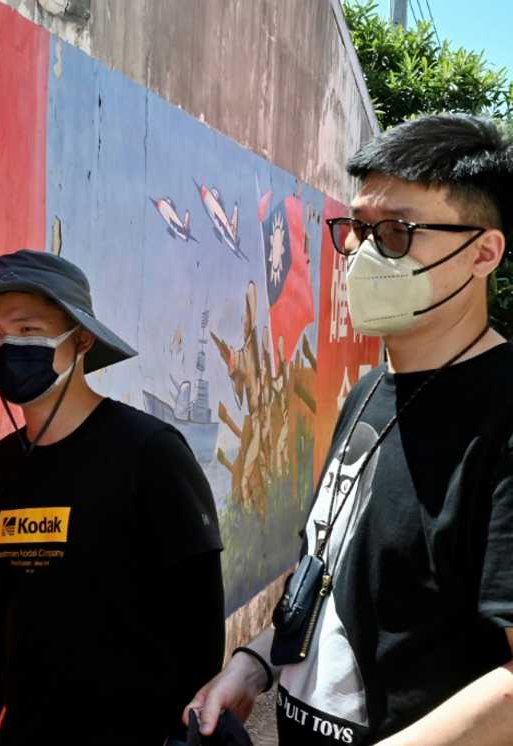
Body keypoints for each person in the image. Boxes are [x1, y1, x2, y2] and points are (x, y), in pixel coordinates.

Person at [185, 114, 513, 745]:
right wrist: (254, 664)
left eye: (396, 232)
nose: (363, 255)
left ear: (483, 253)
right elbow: (331, 564)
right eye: (359, 230)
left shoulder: (505, 419)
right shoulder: (368, 393)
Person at [0, 249, 225, 745]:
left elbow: (199, 622)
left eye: (27, 330)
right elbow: (0, 612)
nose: (7, 346)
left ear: (81, 339)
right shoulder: (3, 466)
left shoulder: (150, 454)